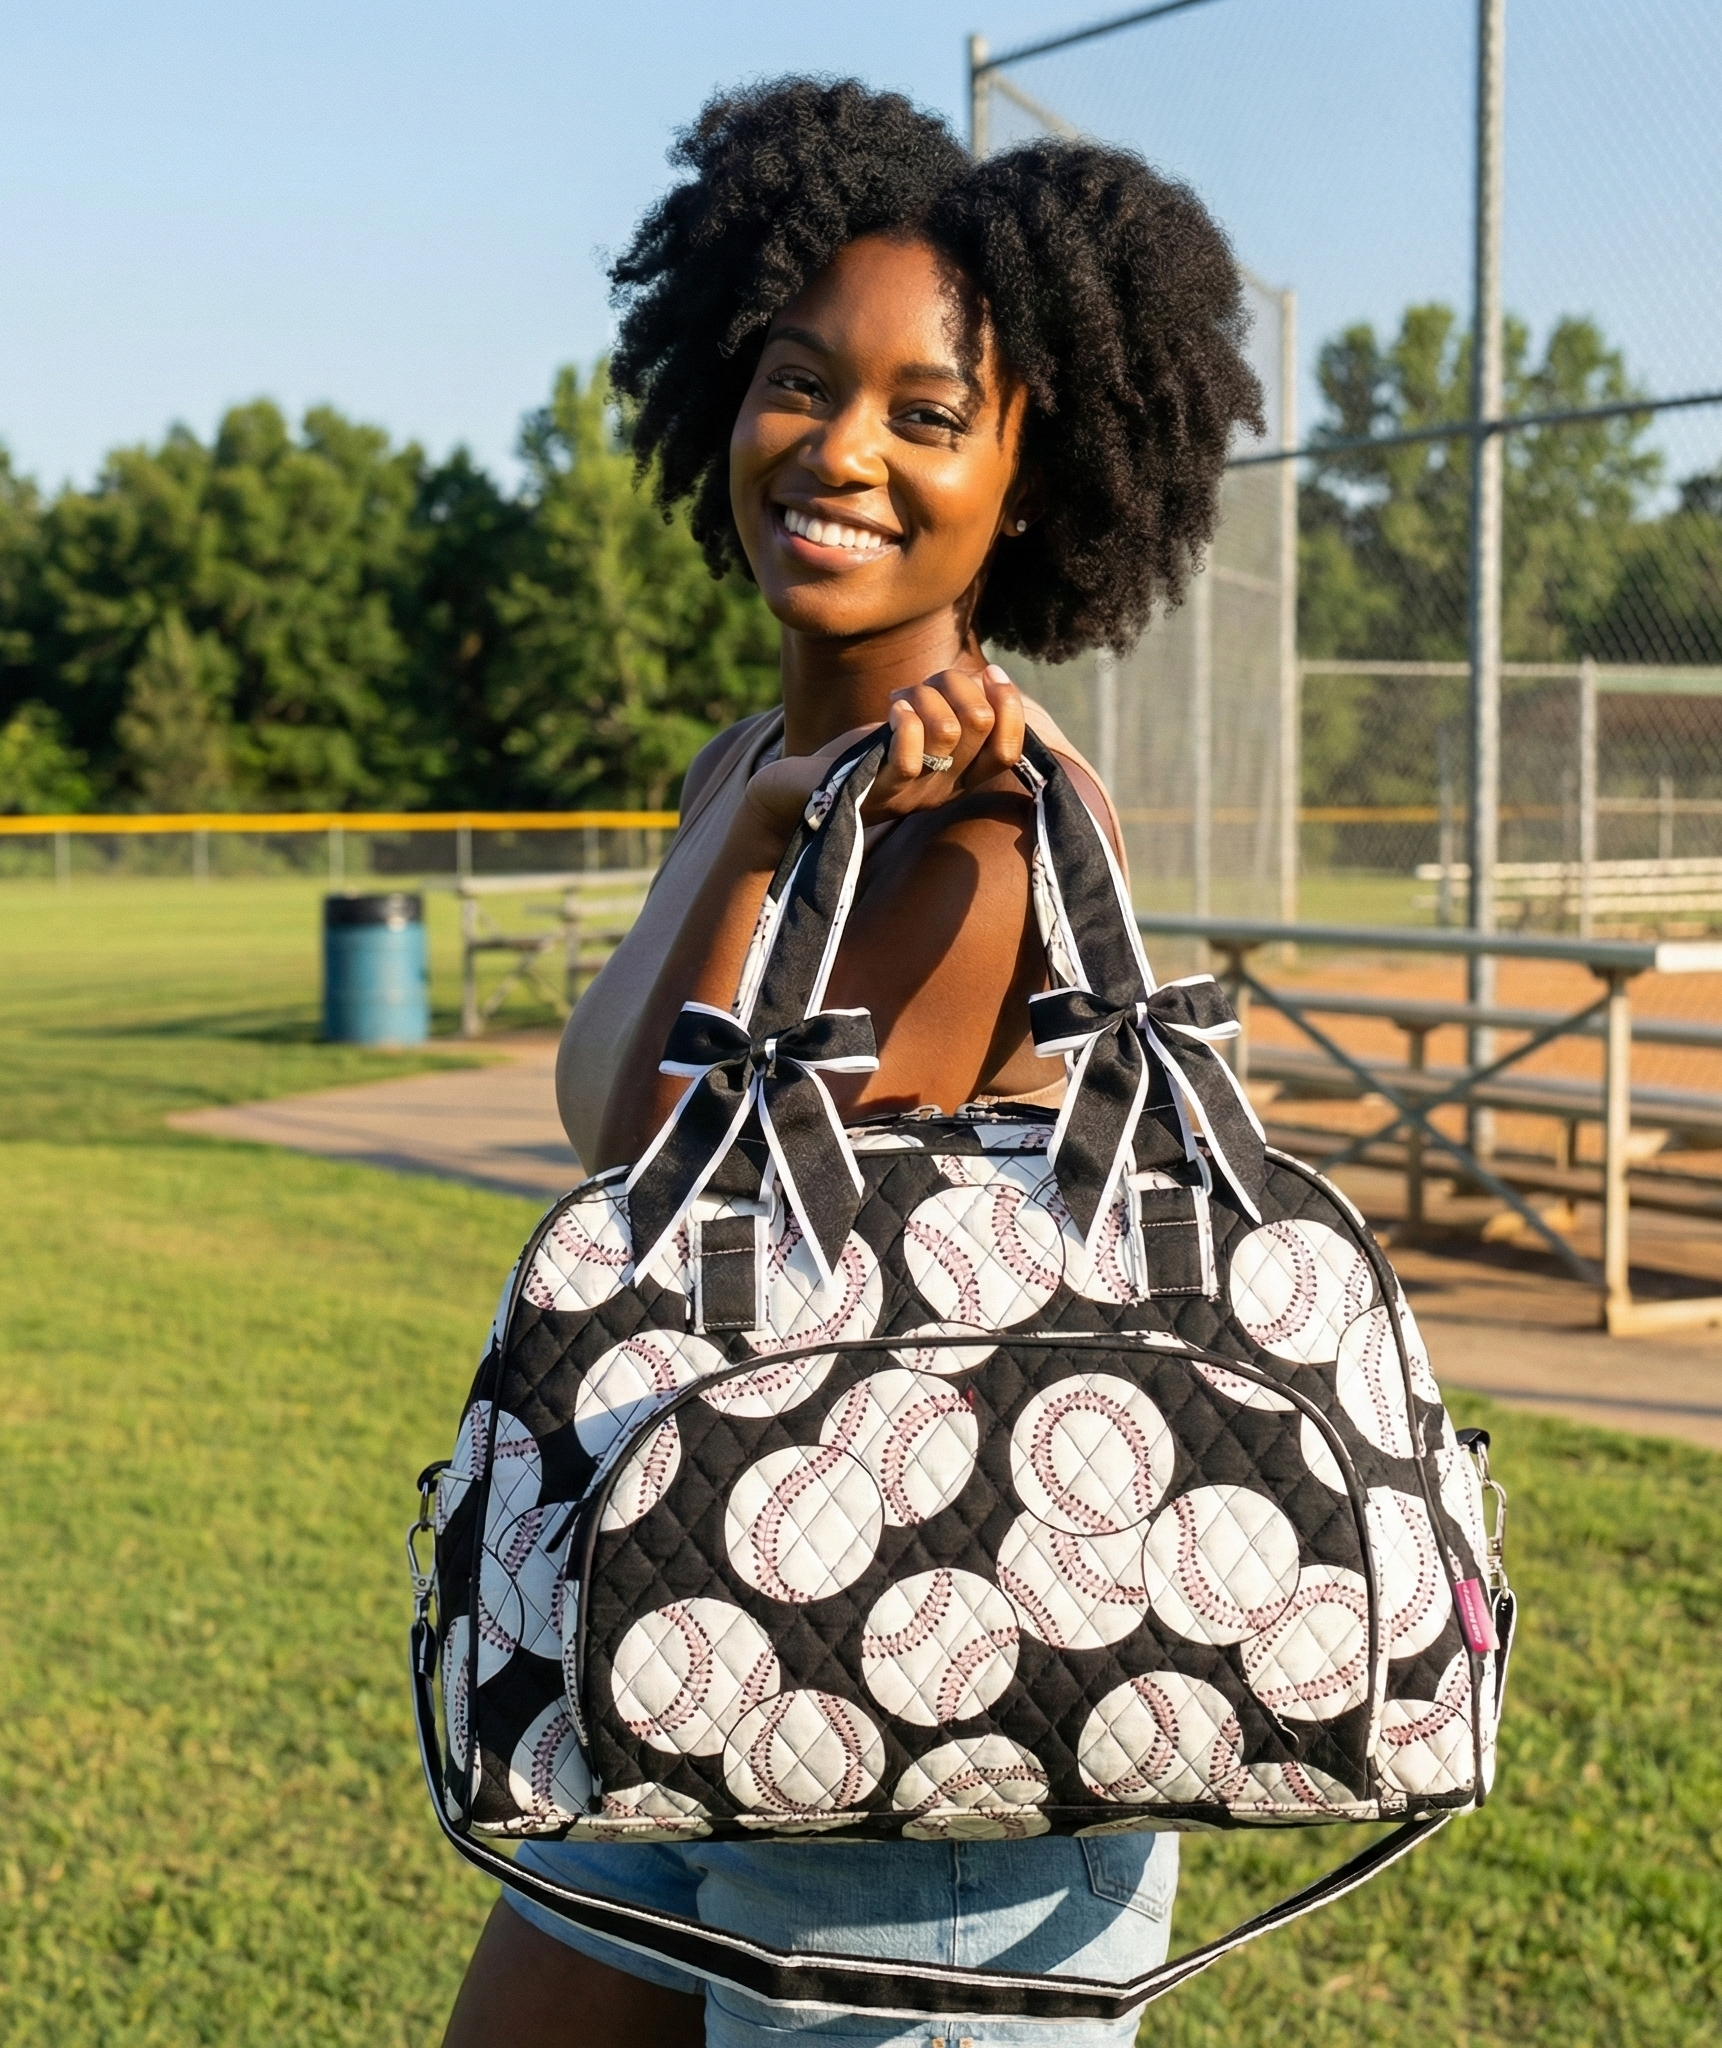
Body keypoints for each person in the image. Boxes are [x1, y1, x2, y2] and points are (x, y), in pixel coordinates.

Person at [443, 75, 1263, 2048]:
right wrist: (749, 832)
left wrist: (779, 849)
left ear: (1031, 480)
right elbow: (594, 1098)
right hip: (700, 1608)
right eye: (800, 380)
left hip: (942, 1737)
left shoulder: (988, 832)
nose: (840, 451)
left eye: (925, 412)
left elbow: (664, 1183)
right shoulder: (755, 771)